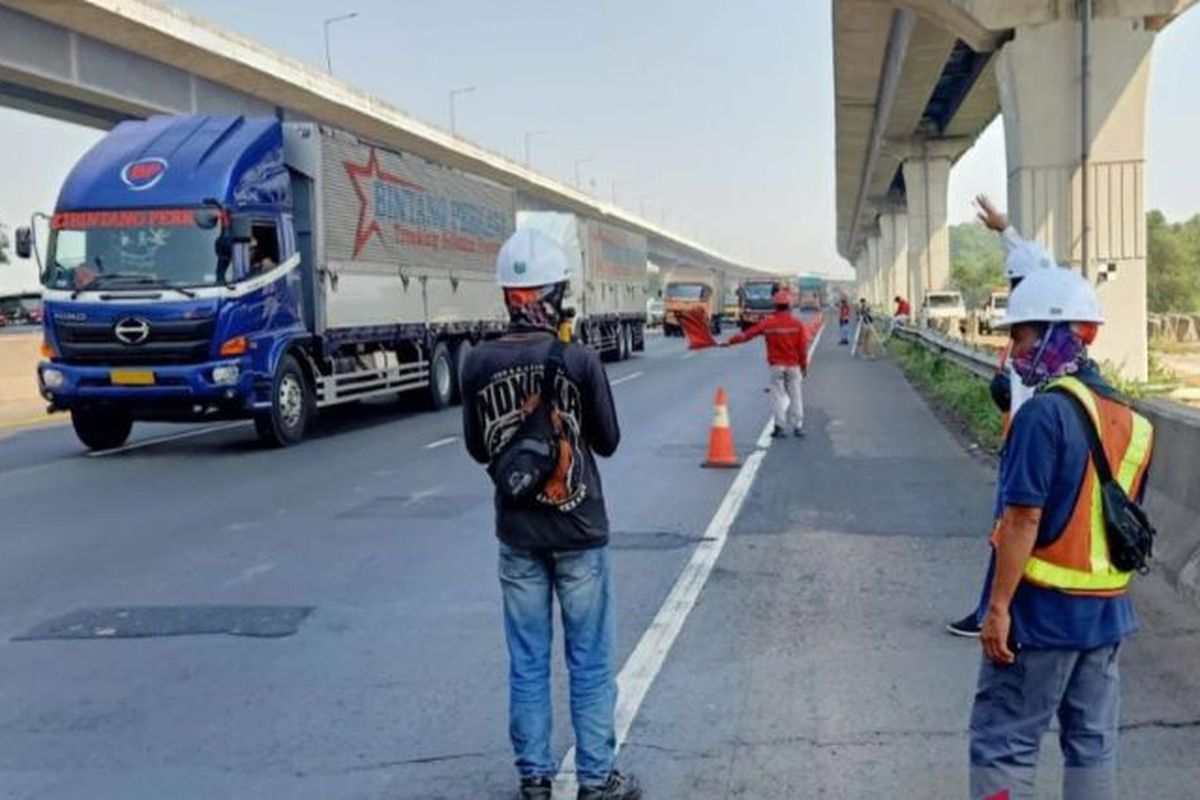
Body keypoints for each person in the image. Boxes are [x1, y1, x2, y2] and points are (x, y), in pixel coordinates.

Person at [459, 228, 641, 800]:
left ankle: (534, 780)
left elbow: (476, 447)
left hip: (516, 532)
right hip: (579, 531)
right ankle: (595, 782)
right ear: (554, 295)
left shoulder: (476, 363)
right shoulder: (578, 359)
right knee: (589, 663)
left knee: (528, 660)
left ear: (508, 295)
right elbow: (607, 441)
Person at [967, 266, 1155, 800]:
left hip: (1040, 614)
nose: (1013, 349)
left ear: (1057, 333)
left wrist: (998, 607)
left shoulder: (1043, 414)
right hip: (1106, 614)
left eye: (1020, 335)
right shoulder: (1133, 419)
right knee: (1092, 744)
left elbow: (1024, 518)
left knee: (1004, 744)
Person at [946, 196, 1057, 637]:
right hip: (1031, 439)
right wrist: (1005, 228)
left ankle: (992, 613)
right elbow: (1032, 258)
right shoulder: (1051, 314)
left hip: (1028, 446)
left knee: (1009, 528)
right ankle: (1009, 610)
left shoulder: (1039, 329)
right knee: (1021, 531)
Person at [721, 288, 809, 437]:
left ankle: (780, 427)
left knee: (777, 396)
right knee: (796, 396)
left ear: (775, 306)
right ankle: (798, 426)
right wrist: (803, 366)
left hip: (776, 366)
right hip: (793, 366)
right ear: (789, 305)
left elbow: (746, 335)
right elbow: (803, 349)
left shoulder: (768, 323)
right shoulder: (798, 324)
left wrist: (729, 342)